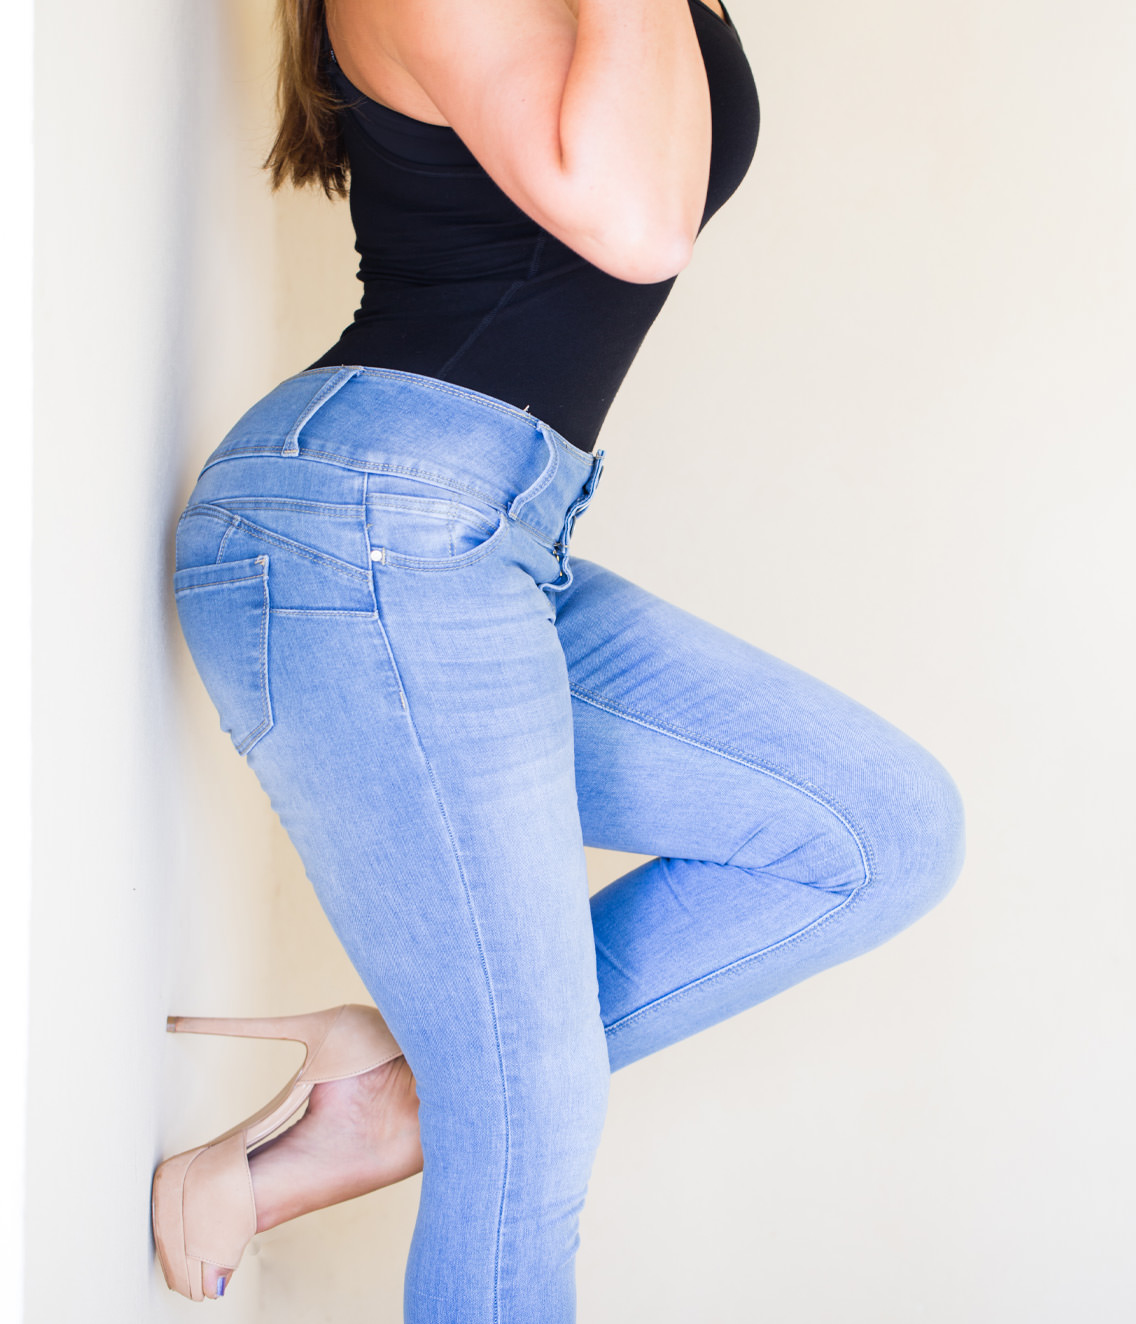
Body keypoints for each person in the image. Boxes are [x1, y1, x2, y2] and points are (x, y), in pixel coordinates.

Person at [152, 0, 966, 1317]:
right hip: (370, 525)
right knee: (523, 1114)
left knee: (882, 829)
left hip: (481, 530)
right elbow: (637, 222)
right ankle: (454, 1084)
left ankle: (401, 1095)